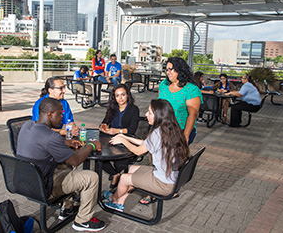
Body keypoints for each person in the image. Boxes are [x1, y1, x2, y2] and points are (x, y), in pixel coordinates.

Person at [17, 97, 106, 232]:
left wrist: (66, 143)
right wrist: (92, 145)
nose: (62, 117)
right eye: (60, 114)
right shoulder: (51, 137)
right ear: (50, 114)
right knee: (91, 177)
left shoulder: (27, 125)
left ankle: (67, 208)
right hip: (44, 188)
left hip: (24, 183)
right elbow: (76, 160)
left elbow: (42, 142)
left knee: (66, 166)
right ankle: (83, 221)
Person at [101, 99, 190, 212]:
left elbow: (138, 151)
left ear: (159, 115)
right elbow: (145, 143)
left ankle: (114, 199)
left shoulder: (158, 133)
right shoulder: (170, 128)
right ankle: (120, 202)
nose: (146, 114)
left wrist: (123, 142)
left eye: (149, 112)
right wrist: (124, 137)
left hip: (163, 183)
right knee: (132, 169)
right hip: (171, 178)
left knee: (123, 178)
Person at [99, 84, 140, 189]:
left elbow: (132, 130)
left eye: (123, 95)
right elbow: (104, 122)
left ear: (128, 95)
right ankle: (115, 174)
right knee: (98, 157)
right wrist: (103, 126)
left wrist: (117, 131)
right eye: (117, 96)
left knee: (119, 162)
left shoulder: (133, 109)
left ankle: (116, 173)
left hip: (126, 141)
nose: (120, 98)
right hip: (111, 140)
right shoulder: (112, 108)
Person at [158, 57, 202, 145]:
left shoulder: (191, 89)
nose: (168, 72)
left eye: (171, 69)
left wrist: (185, 135)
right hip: (162, 128)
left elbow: (192, 115)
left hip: (180, 130)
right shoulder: (164, 85)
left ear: (180, 69)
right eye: (166, 70)